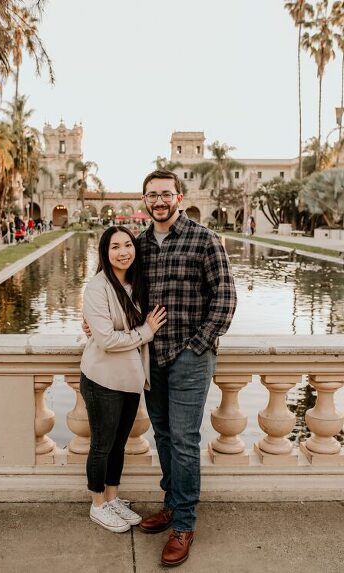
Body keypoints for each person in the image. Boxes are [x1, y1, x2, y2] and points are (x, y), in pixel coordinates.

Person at [132, 169, 236, 566]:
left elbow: (224, 298)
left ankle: (184, 524)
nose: (158, 200)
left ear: (178, 196)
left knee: (184, 440)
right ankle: (172, 505)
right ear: (144, 200)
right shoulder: (139, 244)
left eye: (165, 194)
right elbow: (118, 291)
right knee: (162, 435)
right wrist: (95, 319)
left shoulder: (204, 239)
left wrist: (197, 346)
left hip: (190, 357)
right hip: (150, 356)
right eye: (151, 195)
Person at [81, 225, 166, 534]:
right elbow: (105, 340)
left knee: (118, 445)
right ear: (105, 252)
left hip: (130, 378)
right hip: (103, 378)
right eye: (115, 246)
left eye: (128, 245)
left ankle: (113, 498)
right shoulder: (97, 287)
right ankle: (98, 505)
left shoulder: (136, 284)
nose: (123, 252)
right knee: (102, 446)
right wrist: (146, 332)